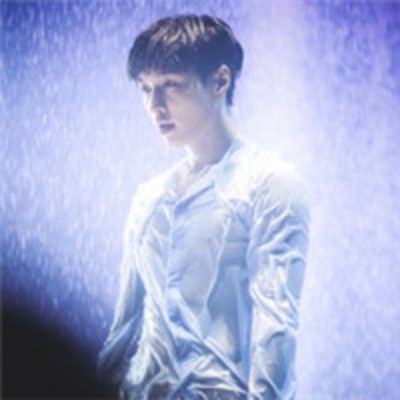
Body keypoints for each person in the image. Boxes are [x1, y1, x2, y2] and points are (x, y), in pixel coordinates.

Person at [97, 14, 310, 400]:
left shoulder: (270, 185)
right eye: (146, 89)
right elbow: (124, 328)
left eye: (171, 85)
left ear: (219, 81)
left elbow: (276, 328)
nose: (154, 105)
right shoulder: (149, 197)